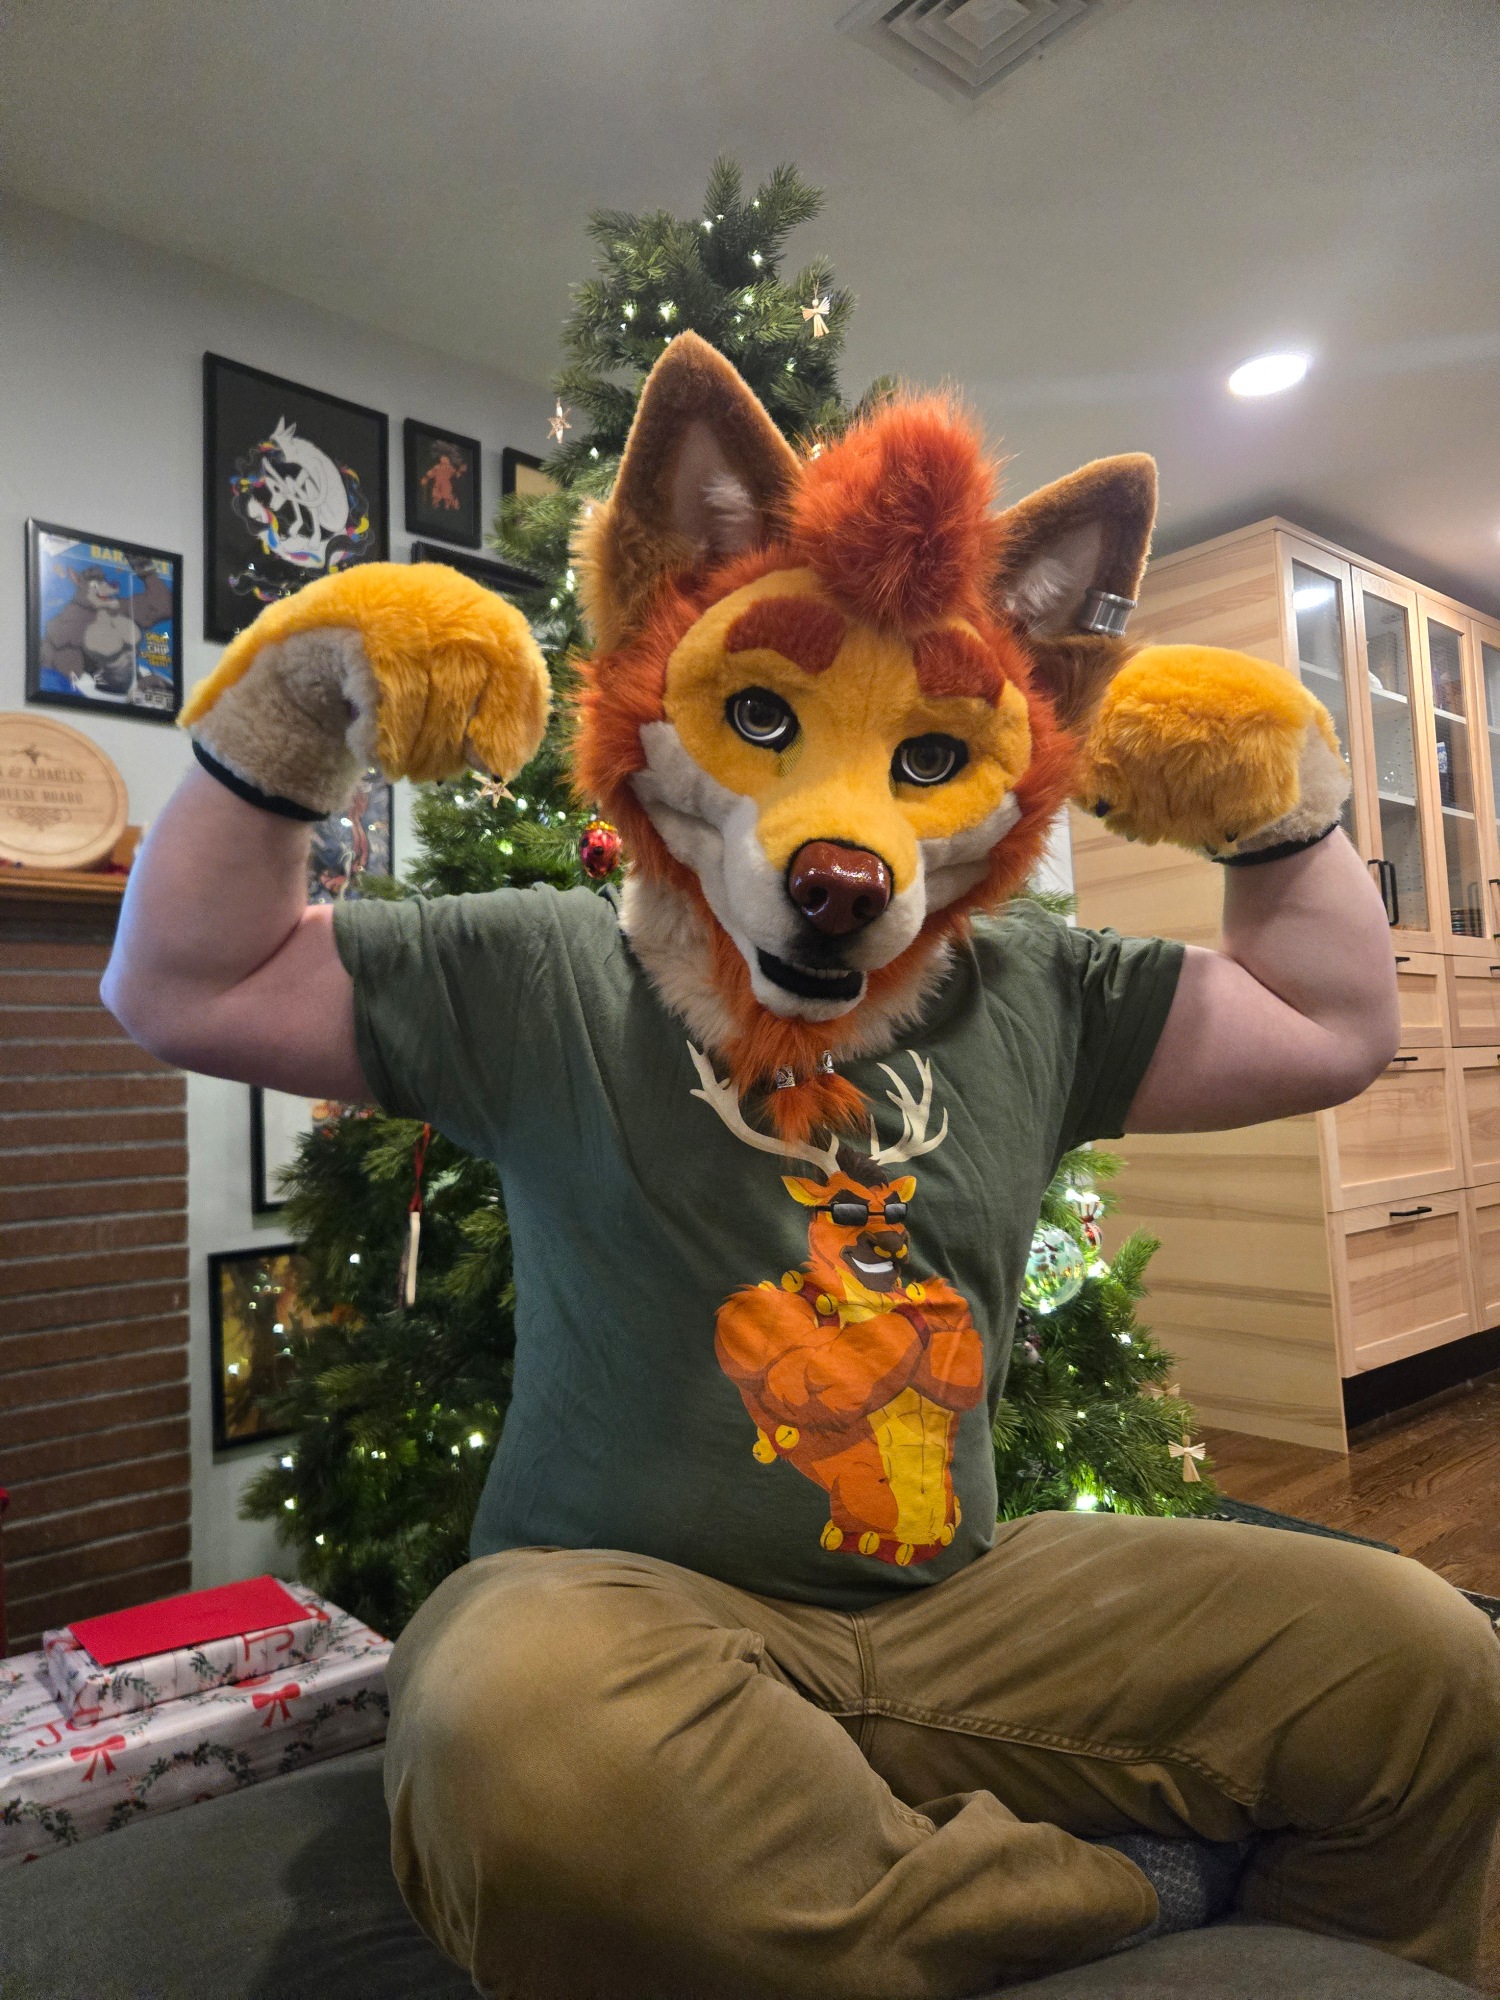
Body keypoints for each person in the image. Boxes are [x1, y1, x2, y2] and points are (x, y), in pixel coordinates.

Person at [103, 337, 1500, 2000]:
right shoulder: (545, 967)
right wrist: (282, 715)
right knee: (523, 1755)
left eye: (926, 759)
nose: (845, 857)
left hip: (965, 1612)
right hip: (610, 1612)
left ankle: (1030, 1907)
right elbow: (181, 984)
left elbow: (1331, 1026)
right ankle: (1115, 1896)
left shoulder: (1037, 989)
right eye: (762, 719)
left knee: (1420, 1662)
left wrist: (1287, 809)